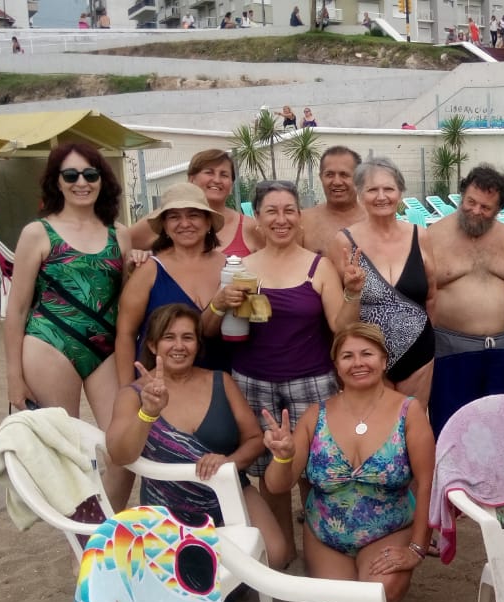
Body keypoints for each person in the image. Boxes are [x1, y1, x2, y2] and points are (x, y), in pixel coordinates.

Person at [261, 322, 435, 602]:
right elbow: (276, 486)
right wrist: (283, 457)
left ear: (384, 360)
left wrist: (416, 548)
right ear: (336, 366)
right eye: (347, 356)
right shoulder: (316, 415)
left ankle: (376, 574)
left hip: (388, 529)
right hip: (326, 534)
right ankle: (329, 570)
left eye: (367, 354)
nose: (358, 363)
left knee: (381, 593)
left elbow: (426, 484)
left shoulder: (408, 411)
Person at [215, 180, 360, 560]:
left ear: (300, 217)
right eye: (271, 211)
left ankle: (319, 552)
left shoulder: (318, 266)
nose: (281, 219)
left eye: (289, 210)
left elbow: (342, 326)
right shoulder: (241, 268)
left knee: (315, 473)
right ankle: (282, 554)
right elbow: (225, 325)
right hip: (253, 382)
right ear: (257, 219)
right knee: (270, 476)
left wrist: (352, 292)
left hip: (311, 383)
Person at [106, 303, 289, 568]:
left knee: (275, 554)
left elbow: (254, 440)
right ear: (153, 345)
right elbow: (119, 455)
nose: (179, 346)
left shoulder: (221, 381)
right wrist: (147, 413)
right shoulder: (133, 395)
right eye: (169, 337)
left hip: (228, 487)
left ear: (197, 344)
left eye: (187, 337)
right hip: (168, 500)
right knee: (188, 573)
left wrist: (228, 462)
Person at [4, 143, 129, 429]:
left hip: (106, 347)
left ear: (102, 179)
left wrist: (139, 262)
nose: (81, 183)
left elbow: (125, 299)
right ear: (57, 182)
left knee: (121, 441)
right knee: (63, 441)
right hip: (50, 343)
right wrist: (14, 377)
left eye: (90, 174)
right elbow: (17, 309)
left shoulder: (120, 234)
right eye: (71, 175)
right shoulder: (38, 233)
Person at [426, 164, 504, 435]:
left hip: (499, 354)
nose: (476, 210)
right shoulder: (433, 236)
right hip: (450, 354)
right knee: (451, 433)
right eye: (471, 202)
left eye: (486, 207)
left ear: (498, 209)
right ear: (462, 196)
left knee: (500, 434)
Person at [331, 157, 436, 406]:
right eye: (372, 190)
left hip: (419, 352)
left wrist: (424, 338)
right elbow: (340, 321)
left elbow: (432, 296)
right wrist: (352, 290)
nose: (381, 197)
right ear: (359, 194)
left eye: (388, 189)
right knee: (376, 425)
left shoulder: (419, 235)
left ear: (400, 192)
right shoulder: (344, 242)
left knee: (414, 421)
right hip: (367, 358)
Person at [114, 182, 229, 396]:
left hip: (220, 387)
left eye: (193, 215)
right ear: (165, 226)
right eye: (174, 217)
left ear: (208, 222)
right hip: (160, 390)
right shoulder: (149, 270)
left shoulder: (230, 267)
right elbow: (125, 334)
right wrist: (127, 392)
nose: (184, 223)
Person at [131, 149, 261, 258]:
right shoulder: (165, 217)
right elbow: (122, 247)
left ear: (231, 185)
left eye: (224, 175)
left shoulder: (250, 227)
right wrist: (136, 256)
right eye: (209, 172)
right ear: (191, 179)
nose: (217, 180)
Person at [302, 146, 367, 258]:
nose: (337, 182)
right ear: (321, 177)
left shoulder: (376, 219)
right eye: (329, 175)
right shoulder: (303, 222)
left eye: (344, 175)